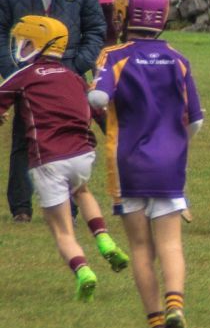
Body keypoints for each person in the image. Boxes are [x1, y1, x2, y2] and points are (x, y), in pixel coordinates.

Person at [89, 0, 203, 328]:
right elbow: (196, 122)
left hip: (128, 165)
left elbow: (99, 98)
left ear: (122, 14)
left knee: (141, 247)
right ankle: (176, 306)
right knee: (170, 243)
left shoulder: (113, 55)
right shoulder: (179, 58)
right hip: (170, 165)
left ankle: (156, 327)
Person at [0, 16, 128, 301]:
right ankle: (104, 239)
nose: (21, 47)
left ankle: (84, 271)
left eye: (26, 42)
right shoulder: (74, 77)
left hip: (47, 159)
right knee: (82, 192)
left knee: (62, 232)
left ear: (40, 46)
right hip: (83, 153)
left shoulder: (24, 76)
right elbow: (98, 113)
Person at [0, 0, 106, 223]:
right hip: (25, 74)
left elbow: (96, 29)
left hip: (69, 74)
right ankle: (21, 208)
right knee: (23, 137)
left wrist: (76, 68)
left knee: (70, 137)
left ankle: (70, 209)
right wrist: (12, 71)